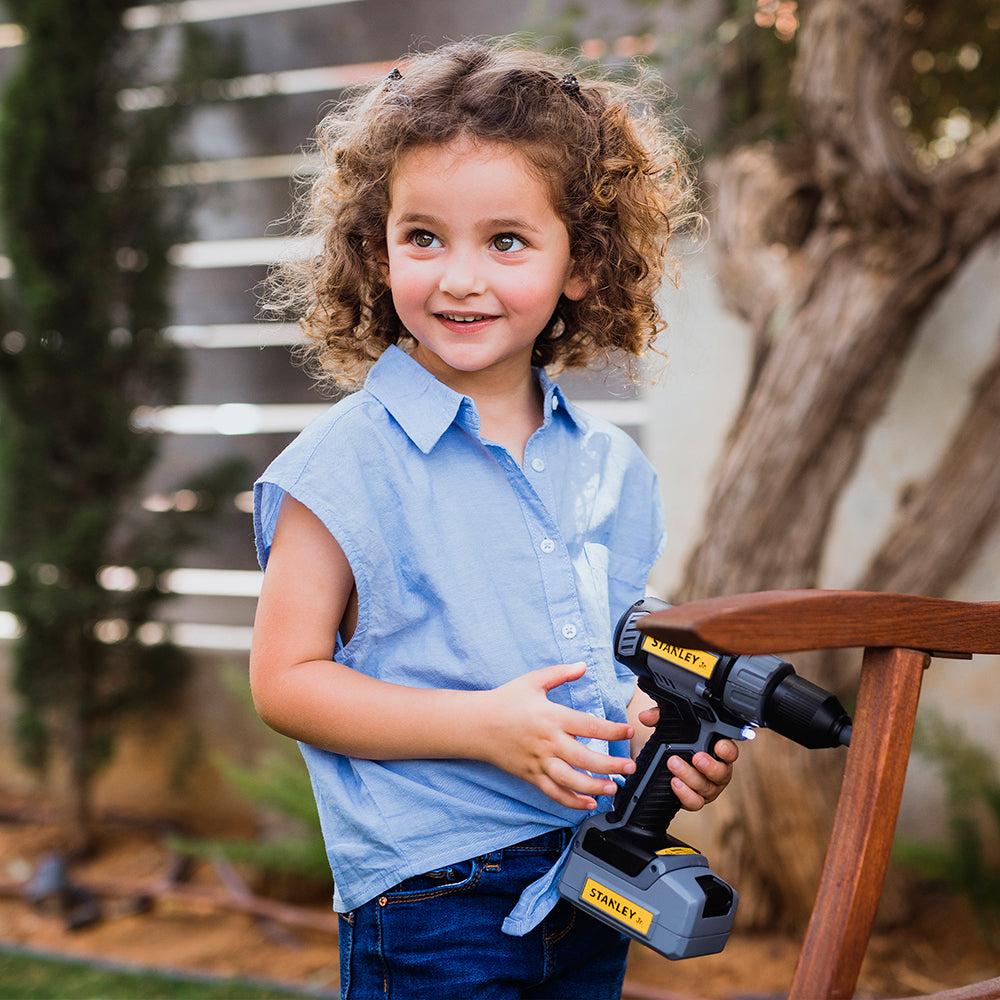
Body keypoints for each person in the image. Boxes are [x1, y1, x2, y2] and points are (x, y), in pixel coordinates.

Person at [250, 38, 738, 1000]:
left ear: (583, 264)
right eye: (423, 237)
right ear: (373, 250)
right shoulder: (343, 465)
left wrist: (653, 730)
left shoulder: (612, 470)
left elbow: (610, 657)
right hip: (434, 902)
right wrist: (484, 727)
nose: (458, 278)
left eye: (506, 241)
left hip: (588, 874)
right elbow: (285, 683)